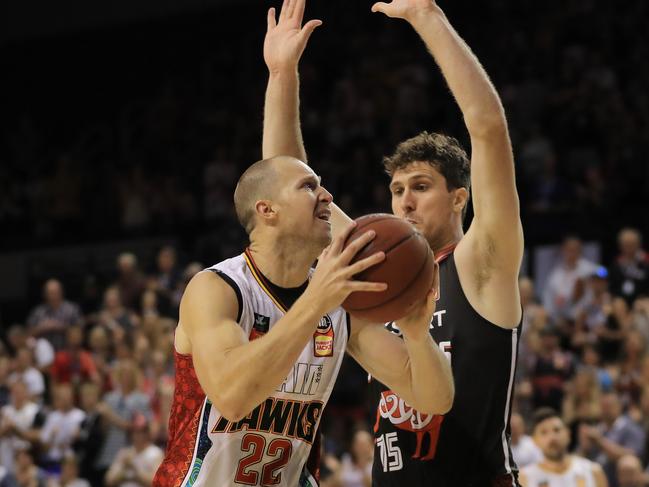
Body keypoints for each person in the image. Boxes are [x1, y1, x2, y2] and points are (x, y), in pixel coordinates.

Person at [261, 0, 523, 484]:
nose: (404, 202)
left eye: (421, 187)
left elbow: (487, 129)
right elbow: (289, 185)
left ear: (459, 198)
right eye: (397, 190)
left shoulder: (482, 263)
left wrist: (428, 17)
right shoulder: (378, 265)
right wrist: (282, 74)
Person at [153, 152, 453, 485]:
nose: (327, 196)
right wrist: (314, 302)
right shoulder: (218, 288)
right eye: (309, 187)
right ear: (267, 210)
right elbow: (232, 397)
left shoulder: (339, 303)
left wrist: (416, 335)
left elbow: (434, 399)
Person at [519, 408, 607, 487]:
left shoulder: (593, 471)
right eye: (544, 432)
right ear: (535, 441)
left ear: (568, 434)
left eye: (557, 430)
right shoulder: (524, 478)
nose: (552, 437)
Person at [26, 279, 82, 351]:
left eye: (55, 292)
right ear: (45, 294)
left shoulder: (72, 310)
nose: (52, 295)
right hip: (43, 354)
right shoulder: (38, 311)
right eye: (50, 292)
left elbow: (79, 332)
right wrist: (41, 328)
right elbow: (28, 333)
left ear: (61, 292)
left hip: (67, 352)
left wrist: (60, 327)